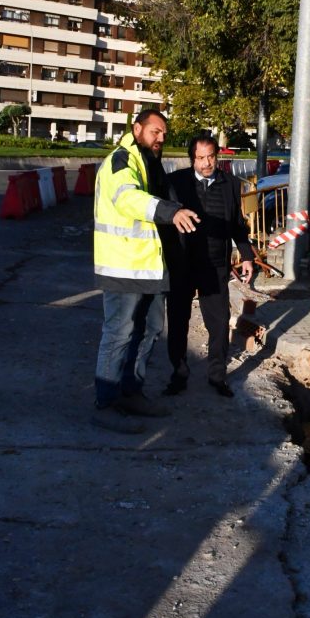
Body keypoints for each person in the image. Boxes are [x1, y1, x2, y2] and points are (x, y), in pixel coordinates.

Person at [92, 109, 199, 433]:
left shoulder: (149, 162)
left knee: (150, 329)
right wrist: (170, 211)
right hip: (123, 266)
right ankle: (105, 403)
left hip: (149, 268)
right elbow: (128, 199)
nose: (161, 138)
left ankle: (131, 392)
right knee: (119, 333)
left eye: (164, 133)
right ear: (137, 128)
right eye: (155, 131)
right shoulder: (122, 161)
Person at [164, 134, 255, 398]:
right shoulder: (176, 182)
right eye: (200, 158)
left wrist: (247, 255)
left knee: (219, 323)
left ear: (217, 156)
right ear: (192, 159)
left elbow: (237, 224)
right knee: (178, 321)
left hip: (214, 266)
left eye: (211, 157)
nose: (206, 163)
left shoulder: (231, 184)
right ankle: (178, 375)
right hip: (183, 265)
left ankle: (217, 377)